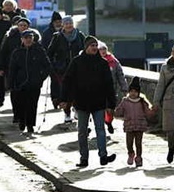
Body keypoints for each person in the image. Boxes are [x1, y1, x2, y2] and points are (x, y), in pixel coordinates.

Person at [61, 35, 117, 168]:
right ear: (86, 47)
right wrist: (64, 99)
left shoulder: (103, 63)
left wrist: (111, 104)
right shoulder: (77, 62)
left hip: (98, 102)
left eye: (96, 45)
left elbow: (109, 85)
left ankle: (103, 156)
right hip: (81, 103)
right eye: (92, 45)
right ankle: (84, 158)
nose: (95, 48)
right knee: (82, 131)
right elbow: (67, 81)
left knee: (100, 130)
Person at [8, 27, 50, 134]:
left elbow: (47, 66)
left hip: (34, 84)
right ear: (22, 39)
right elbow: (12, 69)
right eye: (26, 38)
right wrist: (11, 84)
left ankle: (30, 125)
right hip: (20, 84)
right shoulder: (17, 52)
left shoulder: (39, 51)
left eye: (30, 38)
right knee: (21, 104)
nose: (28, 40)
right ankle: (22, 121)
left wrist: (40, 78)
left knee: (32, 105)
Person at [46, 15, 85, 123]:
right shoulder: (57, 36)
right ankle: (67, 113)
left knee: (78, 91)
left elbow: (85, 49)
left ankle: (77, 109)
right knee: (65, 92)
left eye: (70, 23)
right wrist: (54, 66)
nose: (69, 25)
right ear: (63, 25)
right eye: (66, 23)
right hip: (62, 70)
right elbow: (49, 53)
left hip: (77, 68)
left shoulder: (79, 35)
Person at [113, 76, 153, 167]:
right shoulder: (125, 101)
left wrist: (153, 111)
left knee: (138, 143)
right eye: (131, 91)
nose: (133, 93)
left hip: (140, 125)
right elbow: (119, 111)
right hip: (129, 125)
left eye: (135, 91)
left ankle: (139, 157)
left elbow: (148, 112)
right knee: (129, 143)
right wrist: (113, 112)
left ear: (138, 92)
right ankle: (131, 153)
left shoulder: (142, 102)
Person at [0, 16, 31, 119]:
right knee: (15, 91)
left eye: (25, 25)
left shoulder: (33, 38)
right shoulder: (10, 36)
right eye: (21, 25)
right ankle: (16, 113)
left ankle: (25, 113)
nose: (23, 27)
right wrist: (1, 67)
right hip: (12, 69)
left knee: (26, 93)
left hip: (28, 69)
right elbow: (3, 52)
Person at [97, 41, 127, 134]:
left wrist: (124, 87)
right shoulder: (95, 61)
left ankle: (108, 122)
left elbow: (120, 74)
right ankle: (100, 126)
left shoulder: (113, 61)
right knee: (100, 109)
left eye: (104, 49)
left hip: (111, 90)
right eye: (100, 49)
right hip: (98, 91)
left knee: (110, 109)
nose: (103, 51)